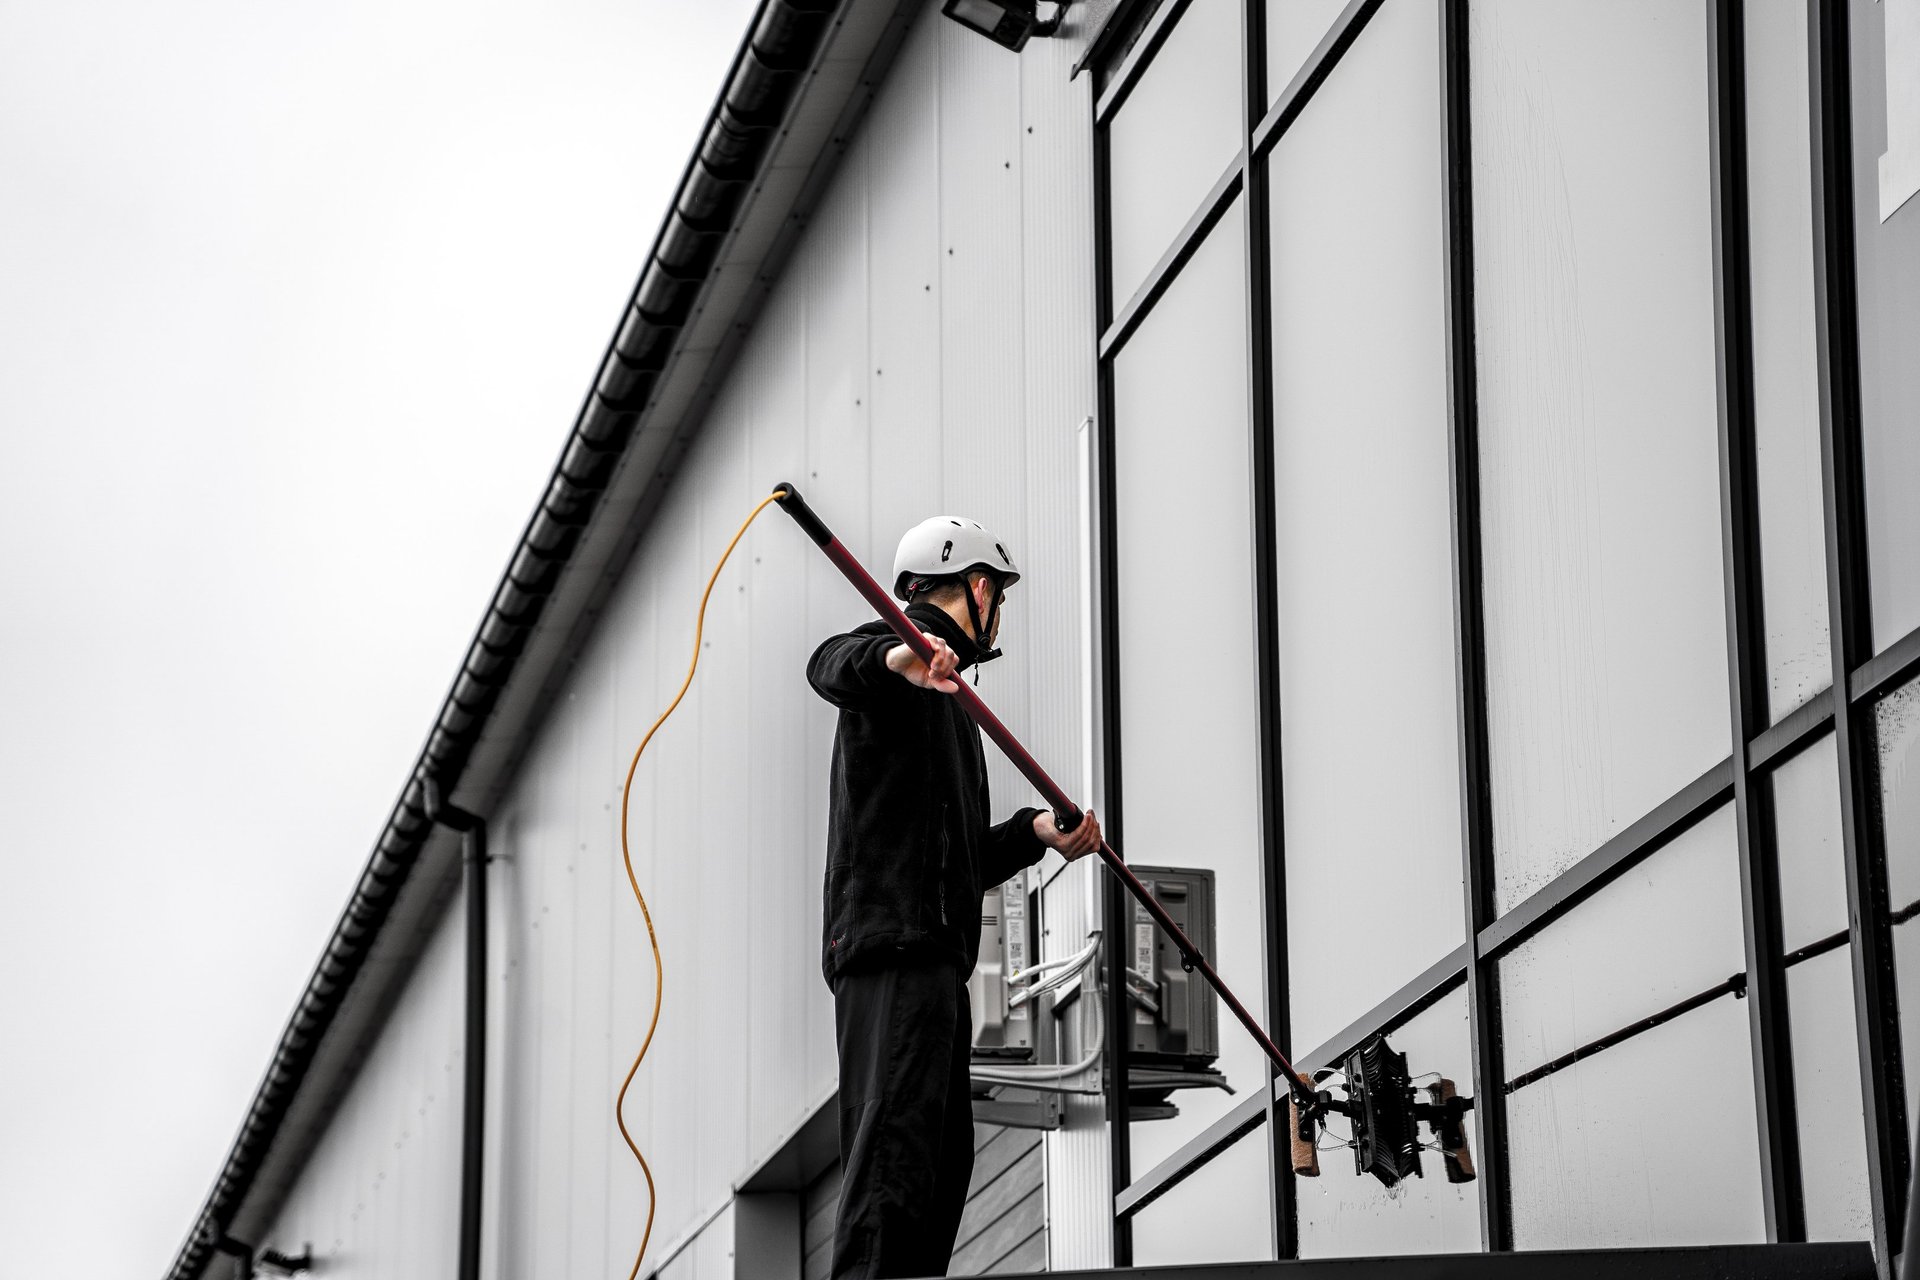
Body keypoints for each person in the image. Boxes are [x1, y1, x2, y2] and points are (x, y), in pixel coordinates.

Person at [807, 515, 1102, 1279]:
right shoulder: (902, 662)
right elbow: (829, 664)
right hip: (894, 954)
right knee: (895, 1157)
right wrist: (903, 655)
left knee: (938, 1170)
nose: (994, 611)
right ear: (977, 587)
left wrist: (1035, 830)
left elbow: (960, 861)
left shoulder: (948, 704)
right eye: (995, 594)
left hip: (933, 961)